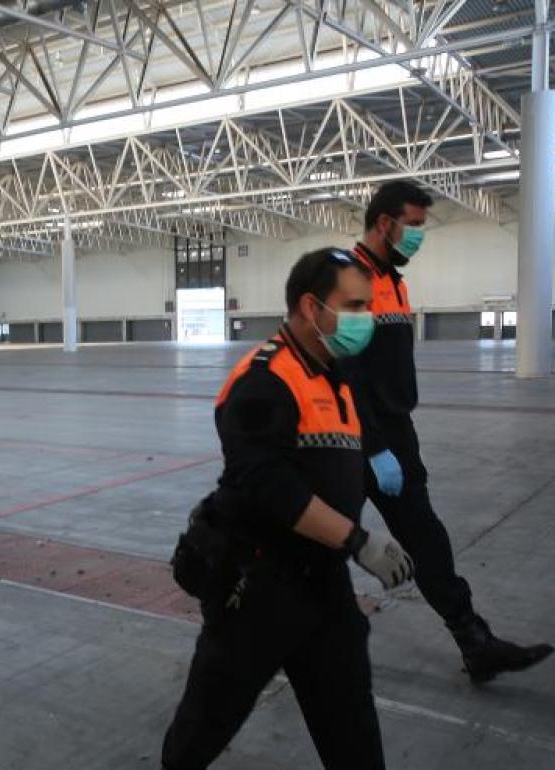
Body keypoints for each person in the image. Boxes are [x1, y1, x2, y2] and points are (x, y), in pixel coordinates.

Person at [162, 248, 415, 770]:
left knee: (353, 731)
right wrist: (357, 540)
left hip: (325, 589)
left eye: (368, 307)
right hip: (257, 588)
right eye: (353, 306)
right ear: (310, 306)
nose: (365, 319)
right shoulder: (263, 380)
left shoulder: (335, 377)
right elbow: (267, 484)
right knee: (204, 727)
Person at [343, 180, 555, 683]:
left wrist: (392, 442)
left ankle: (474, 642)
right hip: (347, 441)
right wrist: (371, 447)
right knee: (317, 548)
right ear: (383, 224)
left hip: (395, 434)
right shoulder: (348, 279)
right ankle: (267, 640)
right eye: (412, 225)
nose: (418, 235)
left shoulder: (392, 280)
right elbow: (341, 374)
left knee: (428, 542)